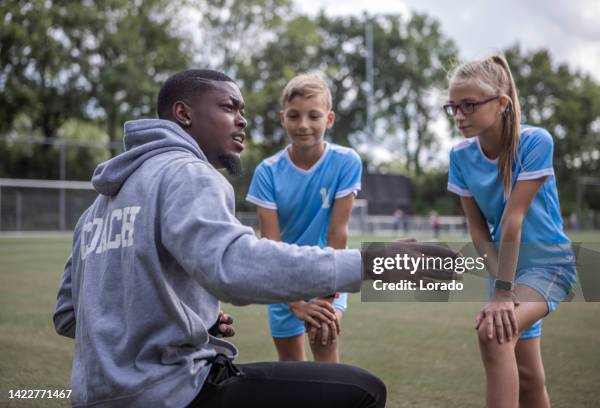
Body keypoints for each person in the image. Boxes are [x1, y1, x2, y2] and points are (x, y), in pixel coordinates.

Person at [53, 69, 457, 408]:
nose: (242, 120)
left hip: (96, 396)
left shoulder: (97, 208)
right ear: (183, 114)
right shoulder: (188, 174)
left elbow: (70, 316)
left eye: (242, 110)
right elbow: (234, 267)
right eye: (229, 107)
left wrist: (194, 318)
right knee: (363, 391)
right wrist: (373, 264)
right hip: (172, 393)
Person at [445, 55, 576, 408]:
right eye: (453, 107)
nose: (458, 115)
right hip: (501, 267)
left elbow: (512, 219)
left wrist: (504, 294)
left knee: (494, 334)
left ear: (501, 103)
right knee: (529, 375)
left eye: (468, 105)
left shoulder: (535, 142)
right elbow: (477, 230)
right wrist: (501, 283)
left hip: (549, 264)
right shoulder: (459, 156)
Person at [246, 73, 360, 363]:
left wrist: (325, 299)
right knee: (293, 375)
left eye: (314, 116)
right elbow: (270, 245)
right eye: (294, 116)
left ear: (329, 119)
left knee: (327, 368)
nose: (304, 125)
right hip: (282, 278)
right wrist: (295, 303)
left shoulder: (346, 162)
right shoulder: (267, 172)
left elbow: (338, 234)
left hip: (327, 275)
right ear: (283, 119)